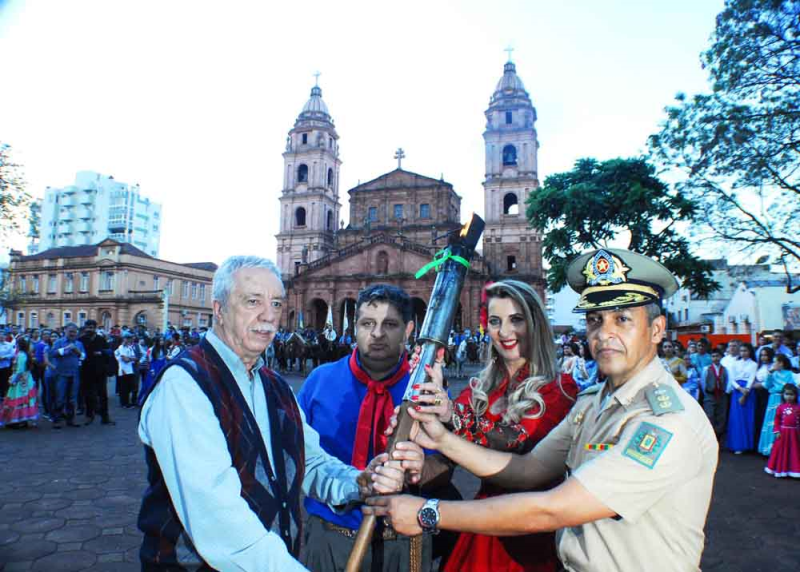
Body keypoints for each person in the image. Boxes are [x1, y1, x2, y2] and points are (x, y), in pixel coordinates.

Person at [369, 248, 719, 572]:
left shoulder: (666, 420)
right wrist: (440, 437)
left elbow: (554, 506)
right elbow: (527, 469)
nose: (604, 334)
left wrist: (429, 513)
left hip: (534, 538)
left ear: (657, 329)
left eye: (622, 319)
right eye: (595, 320)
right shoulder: (592, 402)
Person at [137, 256, 421, 571]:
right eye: (252, 301)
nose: (268, 316)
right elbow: (218, 519)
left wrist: (360, 482)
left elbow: (310, 461)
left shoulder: (274, 384)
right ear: (219, 309)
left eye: (275, 303)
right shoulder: (185, 385)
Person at [415, 280, 578, 572]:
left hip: (532, 533)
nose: (504, 332)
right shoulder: (480, 387)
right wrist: (413, 465)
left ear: (535, 323)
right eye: (495, 321)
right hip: (480, 525)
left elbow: (515, 442)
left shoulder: (561, 388)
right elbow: (446, 460)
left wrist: (451, 415)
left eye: (516, 320)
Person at [298, 284, 444, 572]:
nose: (377, 334)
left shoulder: (429, 389)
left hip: (402, 538)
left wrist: (420, 470)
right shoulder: (319, 381)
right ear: (355, 327)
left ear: (409, 329)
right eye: (367, 323)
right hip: (329, 536)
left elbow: (447, 465)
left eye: (390, 324)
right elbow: (296, 455)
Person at [49, 323, 86, 429]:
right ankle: (57, 419)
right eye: (70, 331)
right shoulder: (59, 342)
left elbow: (83, 357)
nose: (72, 333)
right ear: (65, 331)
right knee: (60, 398)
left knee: (72, 398)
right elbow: (52, 353)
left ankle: (70, 419)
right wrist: (65, 349)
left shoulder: (79, 343)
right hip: (61, 374)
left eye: (74, 332)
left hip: (74, 374)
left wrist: (76, 351)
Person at [757, 354, 796, 456]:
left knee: (782, 422)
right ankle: (769, 450)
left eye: (775, 362)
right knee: (771, 422)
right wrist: (769, 373)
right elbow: (767, 385)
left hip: (784, 399)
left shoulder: (789, 374)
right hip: (773, 399)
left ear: (781, 363)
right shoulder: (772, 374)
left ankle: (780, 450)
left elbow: (790, 387)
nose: (773, 364)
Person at [79, 320, 115, 425]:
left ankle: (105, 416)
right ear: (85, 328)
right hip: (86, 371)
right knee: (88, 395)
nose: (89, 329)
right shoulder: (81, 340)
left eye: (92, 327)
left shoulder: (101, 339)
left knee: (103, 394)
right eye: (88, 327)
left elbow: (109, 352)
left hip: (100, 371)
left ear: (95, 328)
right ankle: (89, 415)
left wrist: (101, 352)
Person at [726, 343, 758, 454]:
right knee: (736, 419)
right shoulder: (735, 363)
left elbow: (752, 378)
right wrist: (739, 388)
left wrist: (746, 391)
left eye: (746, 350)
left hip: (748, 392)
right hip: (737, 391)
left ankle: (747, 445)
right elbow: (732, 379)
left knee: (747, 417)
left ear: (750, 352)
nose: (743, 353)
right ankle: (737, 445)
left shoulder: (754, 364)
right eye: (742, 350)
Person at [0, 337, 38, 428]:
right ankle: (23, 419)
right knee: (25, 399)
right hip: (27, 379)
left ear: (19, 345)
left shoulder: (21, 355)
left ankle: (17, 420)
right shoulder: (25, 354)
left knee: (17, 399)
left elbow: (20, 370)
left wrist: (13, 380)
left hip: (20, 380)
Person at [764, 384, 800, 478]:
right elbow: (777, 420)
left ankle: (793, 470)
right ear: (783, 395)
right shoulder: (780, 407)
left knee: (793, 451)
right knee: (781, 451)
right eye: (787, 394)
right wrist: (777, 431)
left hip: (794, 434)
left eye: (791, 394)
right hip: (783, 433)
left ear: (796, 395)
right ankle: (779, 469)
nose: (789, 396)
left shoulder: (798, 407)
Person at [702, 348, 729, 440]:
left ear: (721, 357)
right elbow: (703, 383)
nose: (715, 358)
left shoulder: (725, 369)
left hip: (721, 395)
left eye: (717, 356)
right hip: (710, 395)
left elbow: (727, 381)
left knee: (721, 417)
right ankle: (710, 436)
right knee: (710, 415)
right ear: (711, 357)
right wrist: (707, 393)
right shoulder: (706, 369)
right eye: (713, 356)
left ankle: (718, 436)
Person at [115, 333, 138, 408]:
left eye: (129, 338)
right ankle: (123, 403)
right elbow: (125, 360)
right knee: (123, 388)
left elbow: (135, 358)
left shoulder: (129, 347)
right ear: (124, 339)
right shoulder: (121, 347)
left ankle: (127, 402)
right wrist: (130, 358)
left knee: (128, 387)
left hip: (130, 370)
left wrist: (130, 358)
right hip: (123, 370)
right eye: (127, 338)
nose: (128, 340)